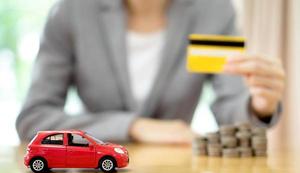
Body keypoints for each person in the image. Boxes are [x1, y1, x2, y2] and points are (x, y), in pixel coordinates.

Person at [16, 0, 285, 144]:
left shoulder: (214, 10)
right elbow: (34, 118)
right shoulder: (71, 11)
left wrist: (259, 106)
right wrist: (134, 127)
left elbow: (232, 110)